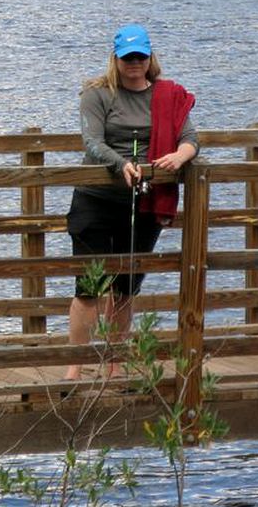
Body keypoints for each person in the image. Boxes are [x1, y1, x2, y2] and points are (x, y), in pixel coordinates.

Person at [64, 24, 197, 380]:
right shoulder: (96, 93)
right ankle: (75, 366)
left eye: (140, 56)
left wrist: (179, 159)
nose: (134, 63)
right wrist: (121, 164)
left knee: (125, 288)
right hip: (96, 199)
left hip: (143, 203)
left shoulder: (167, 95)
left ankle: (115, 363)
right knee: (89, 288)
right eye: (127, 58)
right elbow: (91, 141)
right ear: (116, 59)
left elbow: (190, 139)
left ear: (150, 57)